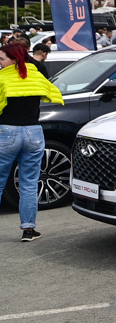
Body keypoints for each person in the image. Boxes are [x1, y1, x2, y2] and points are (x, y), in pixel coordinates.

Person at [0, 43, 64, 241]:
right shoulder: (35, 75)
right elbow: (52, 93)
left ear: (14, 59)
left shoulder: (2, 78)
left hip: (7, 132)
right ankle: (28, 229)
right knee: (28, 184)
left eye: (2, 59)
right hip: (34, 133)